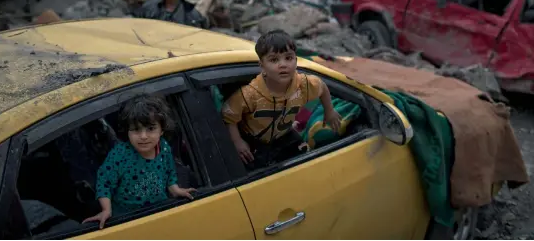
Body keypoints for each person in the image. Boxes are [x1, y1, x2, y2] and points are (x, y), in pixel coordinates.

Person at [222, 29, 342, 168]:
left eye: (288, 58)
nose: (283, 64)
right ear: (262, 66)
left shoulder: (304, 85)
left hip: (284, 134)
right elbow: (228, 115)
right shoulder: (250, 94)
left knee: (307, 162)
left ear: (296, 60)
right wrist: (237, 141)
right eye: (274, 60)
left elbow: (322, 87)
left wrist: (329, 111)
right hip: (254, 140)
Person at [83, 95, 196, 229]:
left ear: (162, 130)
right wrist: (106, 210)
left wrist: (175, 189)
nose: (143, 136)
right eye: (136, 129)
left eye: (150, 129)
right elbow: (104, 182)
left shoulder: (163, 147)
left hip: (159, 211)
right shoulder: (120, 154)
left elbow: (169, 171)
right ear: (127, 131)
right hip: (127, 218)